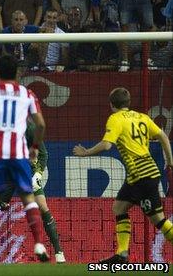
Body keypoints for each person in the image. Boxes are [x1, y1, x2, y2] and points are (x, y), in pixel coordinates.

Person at [73, 87, 173, 263]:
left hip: (142, 175)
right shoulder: (143, 117)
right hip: (141, 175)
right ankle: (122, 254)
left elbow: (106, 145)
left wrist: (85, 153)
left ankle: (122, 255)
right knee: (118, 208)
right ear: (128, 103)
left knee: (158, 220)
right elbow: (164, 137)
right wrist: (171, 162)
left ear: (112, 105)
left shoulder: (115, 119)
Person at [0, 54, 49, 262]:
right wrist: (34, 146)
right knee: (28, 198)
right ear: (17, 72)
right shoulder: (27, 94)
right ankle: (38, 244)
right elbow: (41, 125)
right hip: (19, 153)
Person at [0, 118, 66, 263]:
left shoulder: (29, 128)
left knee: (42, 207)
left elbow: (43, 154)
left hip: (26, 172)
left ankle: (59, 253)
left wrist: (37, 174)